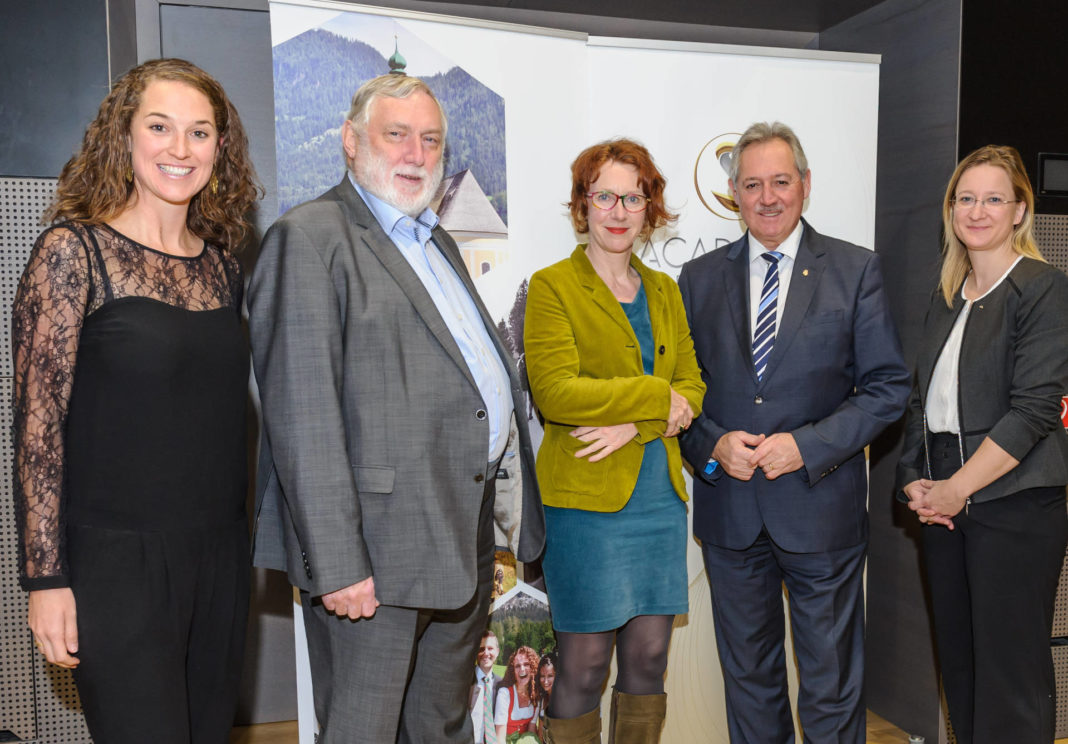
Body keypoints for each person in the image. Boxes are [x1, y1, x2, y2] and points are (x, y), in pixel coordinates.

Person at [247, 72, 545, 744]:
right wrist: (340, 563)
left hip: (455, 548)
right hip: (372, 563)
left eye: (431, 139)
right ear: (352, 142)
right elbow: (304, 418)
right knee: (363, 733)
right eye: (397, 135)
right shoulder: (311, 237)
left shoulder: (433, 241)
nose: (416, 153)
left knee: (437, 730)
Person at [11, 58, 260, 743]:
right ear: (123, 136)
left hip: (218, 560)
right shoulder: (72, 253)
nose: (181, 149)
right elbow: (37, 431)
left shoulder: (221, 268)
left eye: (200, 132)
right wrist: (46, 580)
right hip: (115, 569)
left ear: (220, 147)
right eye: (160, 127)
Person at [677, 121, 910, 743]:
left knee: (831, 686)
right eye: (752, 184)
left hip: (821, 514)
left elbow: (888, 388)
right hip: (731, 516)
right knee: (749, 684)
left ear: (805, 185)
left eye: (781, 181)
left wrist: (806, 447)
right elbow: (681, 395)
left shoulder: (855, 271)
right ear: (734, 194)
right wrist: (712, 447)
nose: (768, 196)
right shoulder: (697, 280)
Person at [524, 138, 705, 744]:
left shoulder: (665, 291)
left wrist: (639, 422)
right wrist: (655, 400)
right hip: (583, 506)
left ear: (650, 207)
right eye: (605, 195)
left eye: (634, 196)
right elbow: (557, 394)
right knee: (585, 664)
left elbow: (693, 388)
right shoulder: (552, 287)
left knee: (649, 661)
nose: (619, 210)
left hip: (658, 498)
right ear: (583, 204)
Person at [897, 145, 1068, 744]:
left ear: (1020, 210)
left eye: (994, 198)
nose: (977, 210)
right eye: (965, 198)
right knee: (962, 663)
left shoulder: (1043, 288)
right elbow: (921, 402)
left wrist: (957, 489)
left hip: (1014, 500)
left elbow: (1035, 410)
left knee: (1008, 672)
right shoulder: (948, 295)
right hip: (946, 495)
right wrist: (915, 480)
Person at [494, 646, 540, 741]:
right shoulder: (505, 694)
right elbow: (499, 737)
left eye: (526, 664)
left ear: (533, 668)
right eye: (517, 666)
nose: (522, 669)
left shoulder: (536, 695)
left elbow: (531, 731)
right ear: (513, 671)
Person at [472, 630, 503, 743]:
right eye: (481, 649)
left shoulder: (501, 684)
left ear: (497, 651)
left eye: (490, 648)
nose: (486, 653)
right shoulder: (466, 681)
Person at [531, 652, 557, 740]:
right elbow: (540, 734)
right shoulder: (542, 700)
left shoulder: (565, 700)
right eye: (542, 676)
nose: (545, 681)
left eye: (550, 676)